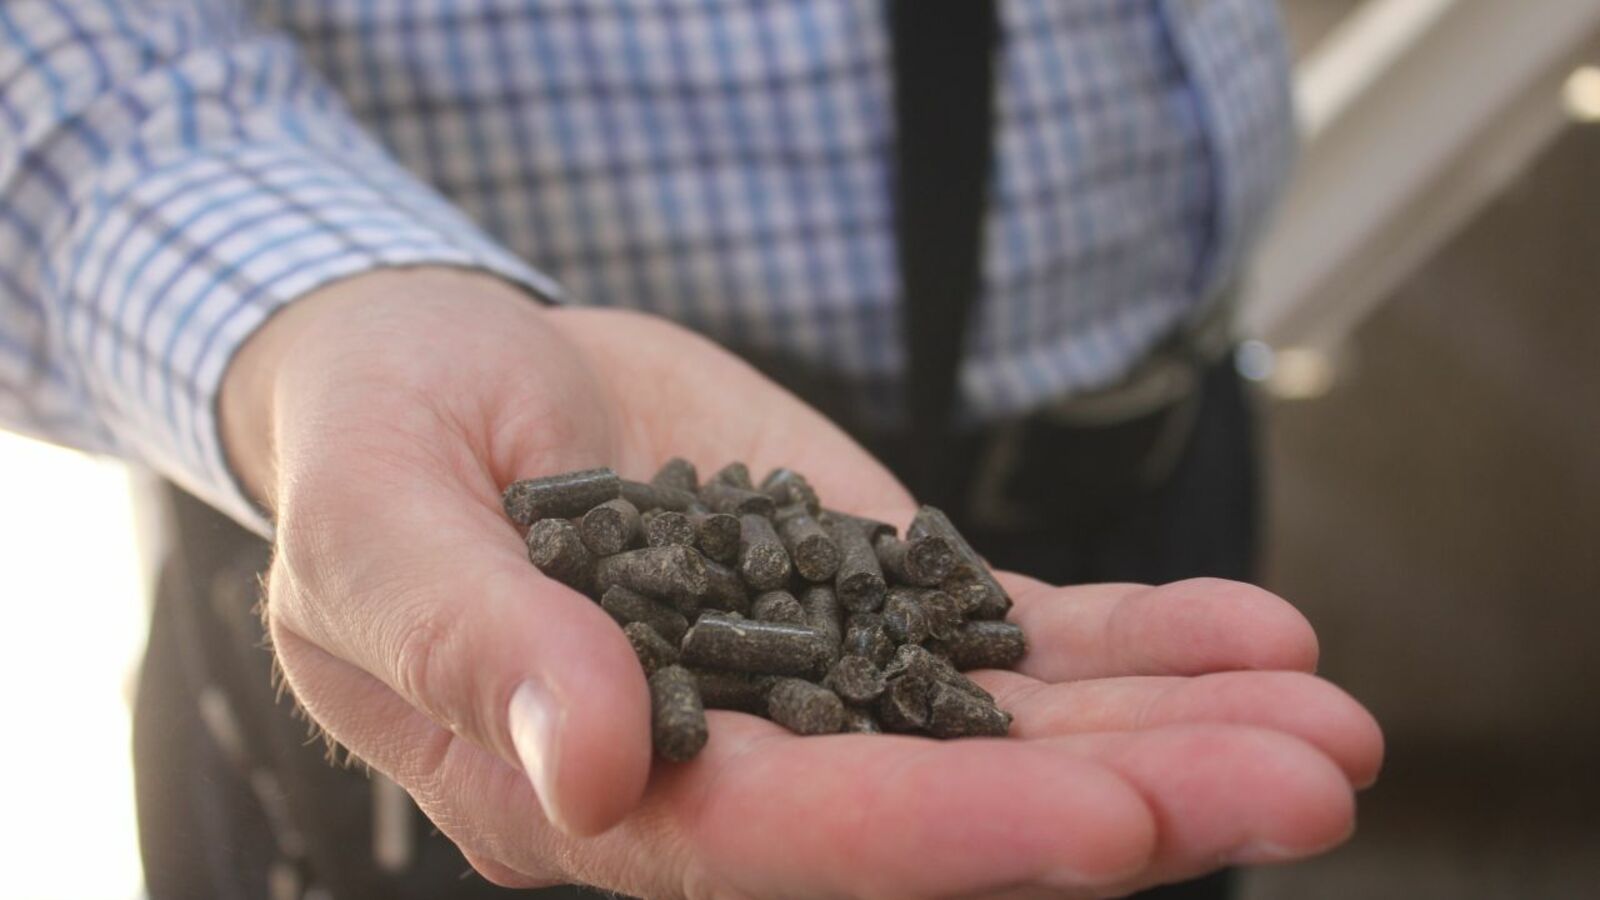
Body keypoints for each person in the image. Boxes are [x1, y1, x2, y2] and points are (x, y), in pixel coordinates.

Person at [0, 1, 1382, 898]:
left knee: (1132, 823)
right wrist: (317, 313)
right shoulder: (644, 556)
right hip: (451, 549)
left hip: (1161, 469)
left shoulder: (854, 592)